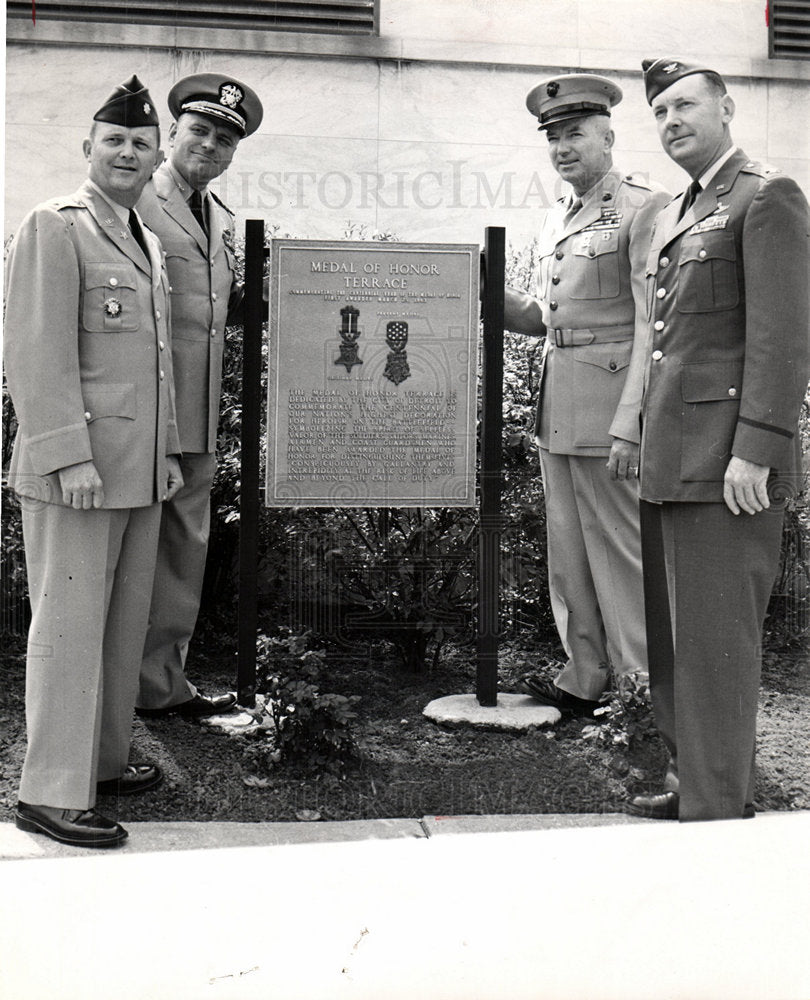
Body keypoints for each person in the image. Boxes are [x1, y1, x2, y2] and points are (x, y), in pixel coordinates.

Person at [627, 59, 809, 821]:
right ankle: (690, 782)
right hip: (672, 456)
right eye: (660, 111)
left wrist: (757, 447)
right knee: (676, 643)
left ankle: (717, 807)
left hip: (729, 463)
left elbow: (782, 334)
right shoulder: (677, 209)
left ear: (727, 108)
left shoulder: (766, 197)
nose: (671, 121)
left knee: (718, 645)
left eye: (685, 106)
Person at [5, 76, 183, 847]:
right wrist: (65, 456)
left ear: (155, 160)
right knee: (69, 629)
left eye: (142, 143)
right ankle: (48, 791)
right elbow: (36, 352)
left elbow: (157, 361)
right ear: (88, 148)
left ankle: (102, 763)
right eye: (114, 140)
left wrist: (167, 454)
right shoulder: (55, 225)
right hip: (77, 473)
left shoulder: (142, 235)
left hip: (136, 471)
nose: (128, 152)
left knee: (117, 626)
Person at [503, 74, 670, 718]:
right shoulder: (558, 217)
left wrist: (632, 422)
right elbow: (549, 317)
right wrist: (479, 288)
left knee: (621, 551)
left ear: (608, 136)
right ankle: (584, 675)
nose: (562, 147)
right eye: (553, 137)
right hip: (558, 409)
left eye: (575, 133)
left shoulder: (642, 208)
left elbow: (651, 324)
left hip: (610, 411)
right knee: (569, 550)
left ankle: (639, 690)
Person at [135, 74, 263, 719]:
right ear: (173, 134)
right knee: (132, 553)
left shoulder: (219, 216)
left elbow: (222, 307)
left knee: (183, 550)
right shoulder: (133, 200)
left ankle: (161, 685)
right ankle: (113, 685)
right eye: (201, 130)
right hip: (142, 416)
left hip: (197, 414)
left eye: (224, 139)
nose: (210, 145)